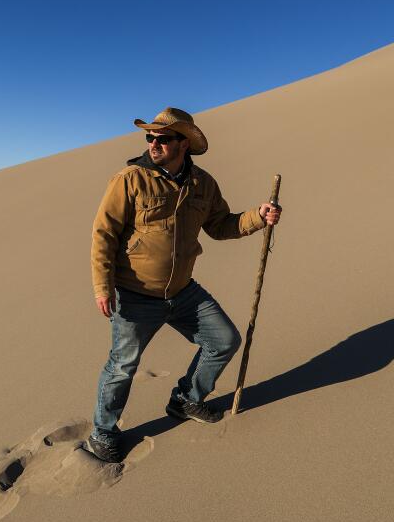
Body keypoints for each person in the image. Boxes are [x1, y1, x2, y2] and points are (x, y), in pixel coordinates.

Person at [87, 107, 282, 463]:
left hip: (182, 291)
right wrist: (102, 287)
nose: (153, 143)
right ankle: (103, 432)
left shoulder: (203, 184)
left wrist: (259, 217)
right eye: (150, 137)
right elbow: (104, 234)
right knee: (122, 366)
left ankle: (186, 399)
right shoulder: (129, 179)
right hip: (135, 294)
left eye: (162, 138)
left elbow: (221, 225)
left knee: (224, 340)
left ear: (184, 144)